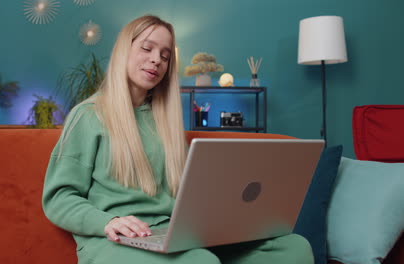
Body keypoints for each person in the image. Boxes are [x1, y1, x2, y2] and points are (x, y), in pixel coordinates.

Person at [42, 15, 314, 264]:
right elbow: (59, 197)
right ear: (124, 50)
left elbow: (190, 193)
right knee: (200, 262)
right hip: (113, 240)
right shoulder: (88, 116)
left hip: (173, 235)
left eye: (165, 55)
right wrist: (107, 221)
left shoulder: (166, 122)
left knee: (293, 248)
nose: (156, 60)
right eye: (146, 48)